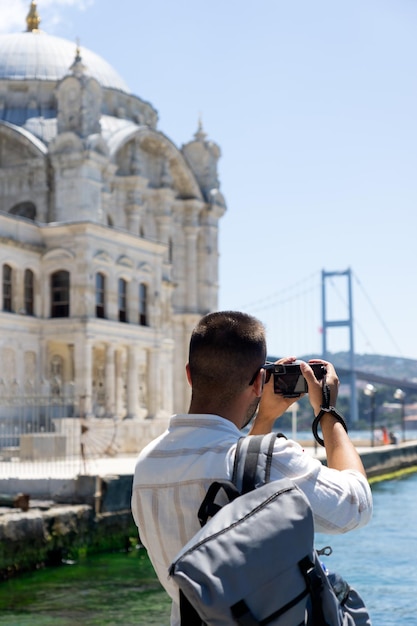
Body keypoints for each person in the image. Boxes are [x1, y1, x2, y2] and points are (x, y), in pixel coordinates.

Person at [131, 311, 373, 625]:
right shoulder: (272, 456)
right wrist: (326, 410)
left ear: (189, 375)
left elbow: (243, 483)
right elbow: (357, 505)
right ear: (259, 381)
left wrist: (264, 420)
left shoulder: (148, 462)